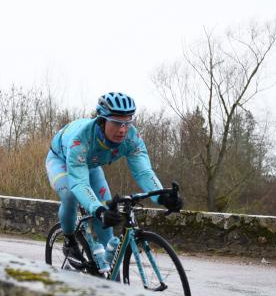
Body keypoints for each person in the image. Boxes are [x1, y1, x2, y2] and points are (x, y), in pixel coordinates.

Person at [46, 92, 182, 273]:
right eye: (117, 123)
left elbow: (143, 171)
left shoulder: (132, 138)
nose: (123, 130)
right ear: (102, 121)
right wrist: (98, 210)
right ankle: (70, 241)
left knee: (107, 222)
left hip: (91, 166)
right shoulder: (81, 139)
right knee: (71, 196)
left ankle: (110, 276)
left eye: (127, 123)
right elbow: (79, 183)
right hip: (61, 160)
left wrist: (162, 197)